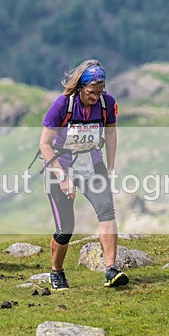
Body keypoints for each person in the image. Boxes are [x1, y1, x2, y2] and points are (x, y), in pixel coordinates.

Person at [38, 60, 128, 290]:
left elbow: (110, 134)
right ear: (80, 87)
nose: (95, 97)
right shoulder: (62, 105)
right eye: (91, 93)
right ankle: (56, 271)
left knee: (106, 210)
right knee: (66, 227)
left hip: (92, 164)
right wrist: (62, 177)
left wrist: (110, 165)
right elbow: (45, 145)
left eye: (99, 92)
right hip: (61, 166)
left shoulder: (107, 104)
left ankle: (110, 269)